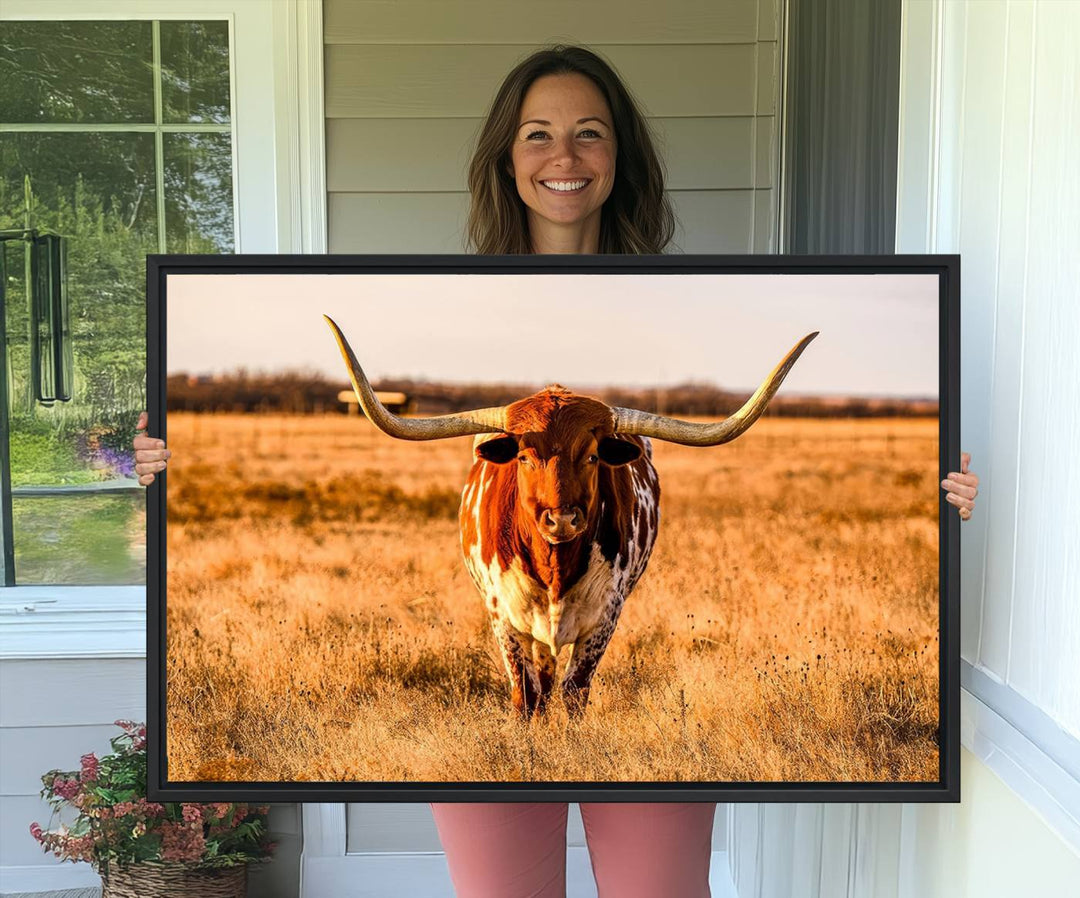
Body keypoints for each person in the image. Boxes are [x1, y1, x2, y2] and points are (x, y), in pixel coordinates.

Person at [134, 45, 980, 898]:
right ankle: (530, 693)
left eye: (590, 134)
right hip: (512, 578)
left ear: (621, 157)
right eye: (538, 135)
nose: (564, 157)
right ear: (507, 157)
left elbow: (711, 432)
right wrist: (164, 467)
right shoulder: (443, 299)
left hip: (600, 589)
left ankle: (577, 687)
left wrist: (941, 494)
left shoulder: (687, 298)